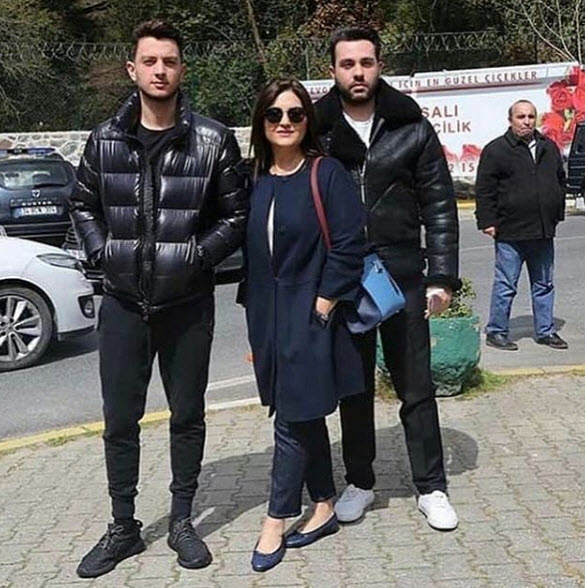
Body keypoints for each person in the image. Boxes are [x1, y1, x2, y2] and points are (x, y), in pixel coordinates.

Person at [69, 20, 248, 578]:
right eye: (150, 61)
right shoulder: (104, 139)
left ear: (181, 69)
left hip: (187, 305)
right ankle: (123, 526)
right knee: (120, 420)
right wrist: (102, 252)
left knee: (187, 415)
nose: (160, 71)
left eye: (169, 61)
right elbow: (82, 204)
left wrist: (197, 255)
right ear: (133, 69)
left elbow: (237, 214)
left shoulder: (213, 140)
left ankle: (182, 521)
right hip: (123, 304)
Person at [315, 27, 461, 531]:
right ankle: (360, 482)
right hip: (344, 276)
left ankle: (431, 486)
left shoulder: (411, 126)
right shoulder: (318, 130)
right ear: (333, 70)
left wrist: (441, 277)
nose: (358, 72)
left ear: (379, 66)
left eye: (366, 62)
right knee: (353, 389)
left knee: (415, 386)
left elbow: (439, 205)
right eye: (347, 64)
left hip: (402, 274)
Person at [243, 78, 366, 572]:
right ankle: (324, 505)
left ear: (307, 121)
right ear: (262, 123)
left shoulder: (325, 172)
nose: (285, 122)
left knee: (292, 417)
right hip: (267, 315)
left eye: (295, 113)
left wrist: (324, 301)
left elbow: (350, 243)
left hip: (311, 312)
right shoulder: (256, 178)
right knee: (300, 408)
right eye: (275, 114)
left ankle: (276, 518)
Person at [476, 99, 568, 351]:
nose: (526, 121)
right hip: (510, 231)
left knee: (544, 284)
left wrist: (556, 213)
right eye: (521, 117)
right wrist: (487, 221)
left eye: (530, 116)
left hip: (542, 231)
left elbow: (560, 181)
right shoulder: (496, 150)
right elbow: (484, 189)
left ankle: (545, 331)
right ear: (510, 120)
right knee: (506, 285)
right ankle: (497, 331)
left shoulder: (548, 147)